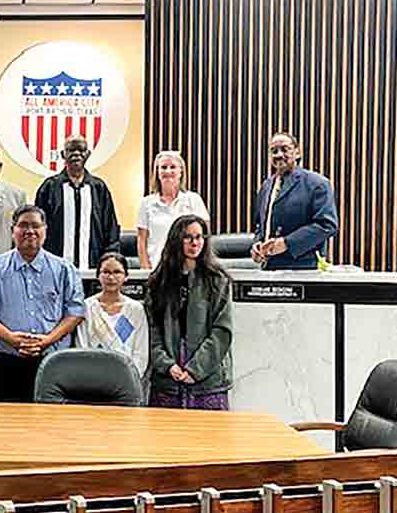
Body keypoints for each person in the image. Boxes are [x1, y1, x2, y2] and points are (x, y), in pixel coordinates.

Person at [0, 204, 85, 402]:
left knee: (51, 425)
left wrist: (46, 341)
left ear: (45, 231)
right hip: (8, 363)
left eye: (35, 225)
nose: (29, 231)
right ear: (12, 230)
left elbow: (74, 314)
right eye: (23, 225)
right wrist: (13, 340)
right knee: (7, 426)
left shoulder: (64, 269)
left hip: (52, 362)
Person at [144, 214, 233, 410]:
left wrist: (196, 369)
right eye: (188, 237)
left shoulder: (218, 280)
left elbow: (222, 331)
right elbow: (152, 331)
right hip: (167, 380)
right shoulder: (159, 281)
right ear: (176, 240)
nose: (195, 243)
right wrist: (167, 365)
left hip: (207, 381)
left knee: (209, 438)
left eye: (199, 237)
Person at [251, 132, 339, 270]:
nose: (279, 155)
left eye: (285, 149)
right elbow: (260, 225)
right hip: (268, 268)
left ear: (297, 153)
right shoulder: (266, 186)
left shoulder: (317, 183)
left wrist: (287, 243)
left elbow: (327, 225)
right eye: (274, 151)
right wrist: (257, 244)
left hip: (304, 269)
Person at [34, 135, 120, 270]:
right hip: (54, 270)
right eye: (71, 150)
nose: (76, 154)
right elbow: (38, 229)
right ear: (63, 154)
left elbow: (111, 231)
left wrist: (108, 266)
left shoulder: (99, 188)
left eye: (81, 150)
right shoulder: (49, 188)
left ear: (88, 154)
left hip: (93, 271)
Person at [76, 252, 150, 395]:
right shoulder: (87, 307)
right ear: (98, 275)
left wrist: (129, 380)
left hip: (127, 384)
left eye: (117, 272)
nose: (111, 277)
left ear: (126, 276)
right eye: (106, 272)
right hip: (92, 383)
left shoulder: (136, 309)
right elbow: (82, 347)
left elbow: (141, 353)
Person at [137, 151, 209, 270]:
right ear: (157, 172)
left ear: (181, 172)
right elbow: (141, 240)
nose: (168, 171)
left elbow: (204, 236)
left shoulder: (194, 199)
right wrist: (146, 269)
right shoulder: (146, 203)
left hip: (189, 270)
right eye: (163, 167)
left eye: (173, 167)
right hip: (157, 269)